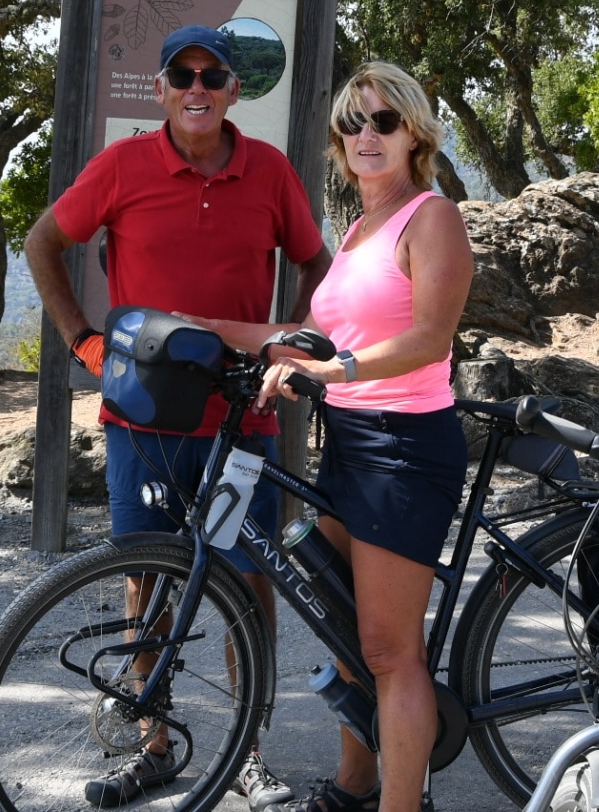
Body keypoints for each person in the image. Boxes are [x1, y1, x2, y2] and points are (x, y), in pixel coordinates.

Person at [25, 24, 332, 809]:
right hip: (142, 420)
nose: (197, 87)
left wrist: (288, 350)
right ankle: (153, 745)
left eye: (213, 74)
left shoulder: (267, 172)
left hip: (242, 418)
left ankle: (249, 752)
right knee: (146, 579)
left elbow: (316, 263)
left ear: (234, 90)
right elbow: (42, 243)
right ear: (161, 89)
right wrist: (82, 342)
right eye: (182, 74)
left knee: (247, 578)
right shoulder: (122, 166)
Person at [182, 62, 474, 812]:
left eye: (384, 121)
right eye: (353, 124)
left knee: (386, 649)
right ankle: (354, 784)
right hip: (348, 441)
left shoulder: (431, 217)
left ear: (415, 134)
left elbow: (429, 339)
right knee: (342, 630)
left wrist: (335, 373)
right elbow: (316, 336)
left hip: (405, 449)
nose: (366, 136)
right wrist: (217, 333)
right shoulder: (359, 228)